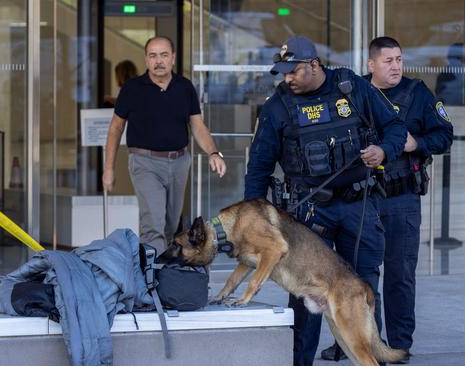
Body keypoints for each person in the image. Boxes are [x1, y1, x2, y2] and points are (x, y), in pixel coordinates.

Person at [244, 35, 407, 366]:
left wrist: (383, 151)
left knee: (360, 290)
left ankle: (370, 358)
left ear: (314, 65)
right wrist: (254, 220)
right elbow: (259, 167)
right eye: (283, 73)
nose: (287, 78)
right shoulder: (278, 106)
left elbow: (394, 127)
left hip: (357, 207)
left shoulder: (352, 88)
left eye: (293, 71)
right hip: (307, 212)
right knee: (306, 298)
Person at [323, 36, 454, 364]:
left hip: (401, 200)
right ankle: (354, 343)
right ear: (371, 65)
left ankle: (398, 346)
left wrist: (417, 144)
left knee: (399, 274)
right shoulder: (350, 94)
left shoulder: (417, 93)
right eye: (388, 61)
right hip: (359, 199)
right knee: (355, 277)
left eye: (399, 59)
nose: (395, 66)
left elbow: (444, 136)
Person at [102, 36, 227, 255]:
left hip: (179, 162)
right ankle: (152, 281)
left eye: (163, 55)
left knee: (170, 225)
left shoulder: (185, 87)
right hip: (145, 163)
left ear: (173, 58)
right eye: (153, 56)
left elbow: (197, 126)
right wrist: (109, 169)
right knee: (153, 226)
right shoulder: (132, 88)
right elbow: (115, 129)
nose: (158, 61)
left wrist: (213, 152)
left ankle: (164, 275)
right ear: (146, 59)